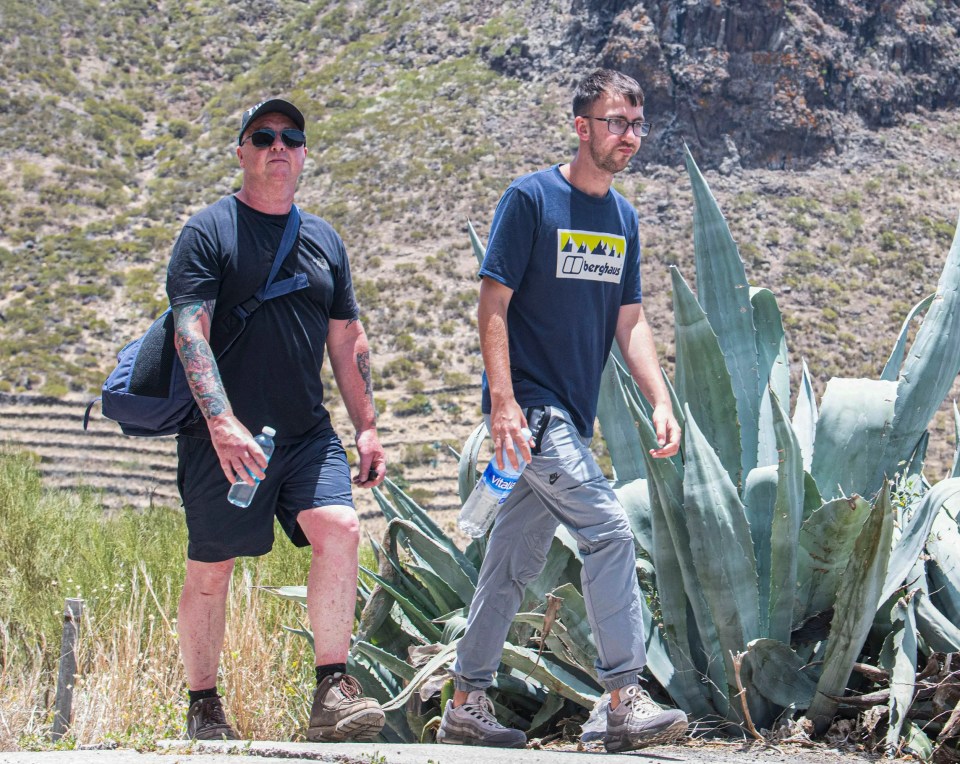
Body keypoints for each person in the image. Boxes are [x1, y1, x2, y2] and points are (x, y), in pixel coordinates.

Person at [437, 70, 688, 753]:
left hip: (572, 421)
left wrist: (660, 399)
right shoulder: (531, 199)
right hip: (535, 415)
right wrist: (504, 405)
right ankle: (620, 702)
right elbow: (493, 304)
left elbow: (629, 321)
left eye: (636, 124)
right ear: (582, 127)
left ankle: (465, 702)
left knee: (510, 564)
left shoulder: (624, 219)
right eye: (615, 123)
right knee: (610, 532)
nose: (629, 137)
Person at [166, 98, 386, 743]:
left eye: (291, 137)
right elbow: (190, 330)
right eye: (263, 136)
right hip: (225, 436)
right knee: (212, 569)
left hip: (305, 432)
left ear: (304, 153)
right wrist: (221, 422)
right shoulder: (209, 232)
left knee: (340, 527)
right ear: (242, 152)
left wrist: (366, 426)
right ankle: (204, 707)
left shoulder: (324, 239)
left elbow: (347, 337)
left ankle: (332, 693)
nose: (278, 146)